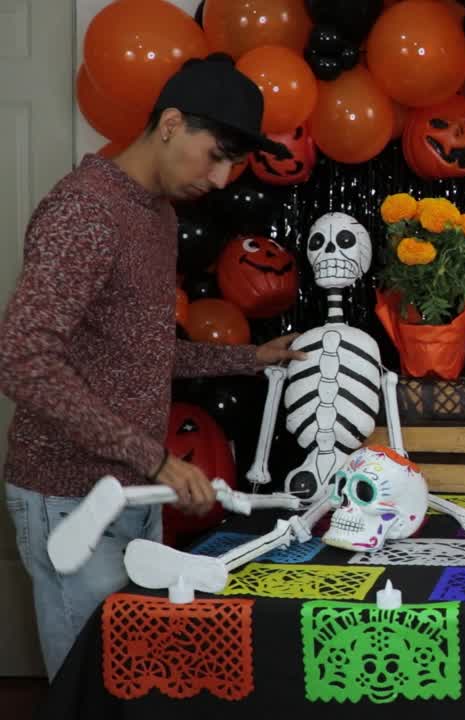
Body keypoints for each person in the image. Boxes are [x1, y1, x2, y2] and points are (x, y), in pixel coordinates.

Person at [0, 54, 306, 680]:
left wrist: (251, 358)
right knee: (90, 690)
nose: (221, 181)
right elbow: (22, 358)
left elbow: (141, 352)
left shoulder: (157, 214)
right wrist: (157, 458)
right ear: (170, 123)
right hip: (70, 498)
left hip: (135, 492)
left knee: (137, 684)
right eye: (214, 155)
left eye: (234, 166)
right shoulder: (87, 210)